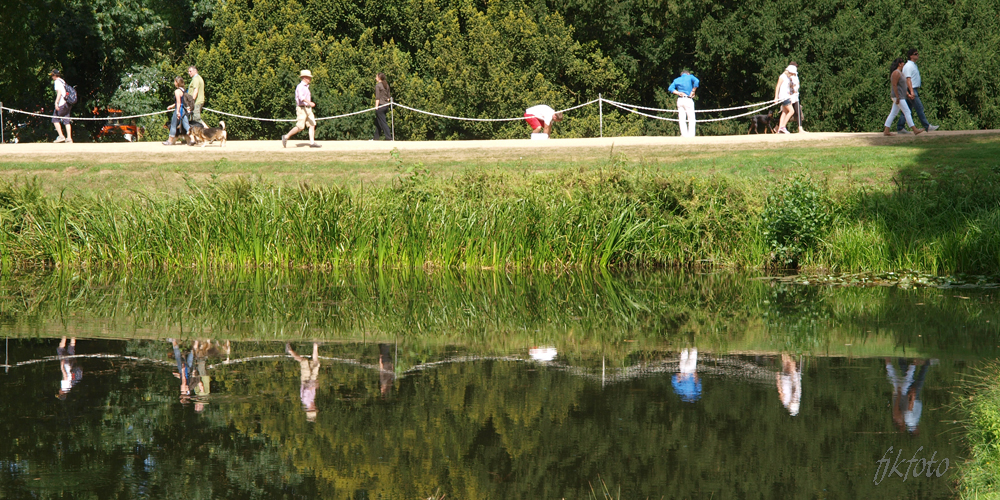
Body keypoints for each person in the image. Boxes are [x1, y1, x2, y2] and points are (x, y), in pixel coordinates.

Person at [896, 49, 939, 134]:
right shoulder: (908, 66)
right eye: (915, 54)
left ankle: (900, 127)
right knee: (919, 108)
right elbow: (908, 79)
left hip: (913, 88)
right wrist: (911, 92)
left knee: (907, 109)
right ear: (911, 56)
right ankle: (927, 126)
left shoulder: (913, 65)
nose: (917, 55)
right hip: (911, 89)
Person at [885, 358, 929, 434]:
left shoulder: (898, 417)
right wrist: (911, 396)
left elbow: (897, 405)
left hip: (901, 393)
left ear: (901, 425)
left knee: (906, 377)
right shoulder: (902, 418)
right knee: (902, 376)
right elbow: (909, 407)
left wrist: (899, 393)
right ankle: (904, 361)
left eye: (903, 427)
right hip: (902, 394)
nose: (905, 426)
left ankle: (912, 362)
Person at [883, 57, 924, 136]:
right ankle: (914, 129)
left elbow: (902, 86)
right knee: (907, 111)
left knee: (893, 113)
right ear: (899, 64)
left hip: (900, 96)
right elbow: (894, 85)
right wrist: (898, 97)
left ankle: (886, 130)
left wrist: (907, 94)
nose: (903, 64)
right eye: (902, 63)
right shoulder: (896, 73)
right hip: (898, 96)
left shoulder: (900, 73)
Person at [282, 69, 321, 148]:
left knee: (312, 124)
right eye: (309, 77)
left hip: (308, 108)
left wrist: (309, 105)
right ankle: (286, 137)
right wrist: (310, 103)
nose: (310, 79)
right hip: (301, 109)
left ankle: (312, 143)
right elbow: (301, 97)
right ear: (304, 78)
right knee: (300, 127)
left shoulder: (307, 87)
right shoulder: (300, 87)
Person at [287, 342, 321, 421]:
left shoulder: (306, 400)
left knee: (304, 362)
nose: (314, 407)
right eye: (314, 408)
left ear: (309, 409)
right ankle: (315, 345)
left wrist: (314, 386)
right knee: (316, 364)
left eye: (313, 409)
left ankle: (290, 351)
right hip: (312, 380)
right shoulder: (312, 399)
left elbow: (306, 390)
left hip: (306, 379)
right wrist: (315, 384)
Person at [667, 70, 700, 137]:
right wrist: (693, 91)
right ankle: (691, 135)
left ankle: (684, 134)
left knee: (682, 118)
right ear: (688, 73)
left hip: (680, 99)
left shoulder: (677, 80)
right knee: (691, 118)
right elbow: (697, 81)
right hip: (688, 99)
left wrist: (678, 93)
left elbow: (670, 88)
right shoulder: (690, 76)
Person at [163, 76, 191, 145]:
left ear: (177, 82)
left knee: (173, 125)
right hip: (184, 110)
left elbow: (178, 103)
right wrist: (172, 106)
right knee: (187, 126)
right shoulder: (183, 90)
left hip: (179, 109)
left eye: (175, 81)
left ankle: (170, 141)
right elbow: (181, 102)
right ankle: (192, 139)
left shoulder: (177, 91)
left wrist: (178, 112)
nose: (174, 83)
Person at [49, 69, 73, 143]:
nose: (52, 77)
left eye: (52, 75)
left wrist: (56, 103)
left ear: (55, 75)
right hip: (67, 103)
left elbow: (59, 93)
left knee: (55, 119)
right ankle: (69, 138)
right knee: (66, 120)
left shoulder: (57, 82)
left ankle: (61, 136)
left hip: (62, 103)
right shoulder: (62, 81)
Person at [773, 65, 797, 134]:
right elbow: (777, 86)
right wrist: (776, 97)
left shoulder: (788, 78)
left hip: (787, 96)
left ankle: (780, 129)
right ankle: (783, 127)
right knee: (791, 111)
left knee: (784, 112)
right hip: (783, 97)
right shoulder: (782, 77)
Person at [373, 73, 393, 141]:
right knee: (378, 122)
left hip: (380, 105)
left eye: (376, 77)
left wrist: (376, 107)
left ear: (379, 78)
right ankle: (376, 138)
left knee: (383, 122)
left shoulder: (378, 86)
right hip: (386, 106)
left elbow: (377, 98)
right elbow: (388, 98)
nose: (375, 78)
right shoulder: (386, 85)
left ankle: (389, 137)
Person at [788, 62, 807, 133]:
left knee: (798, 111)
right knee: (787, 113)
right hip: (790, 96)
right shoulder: (789, 76)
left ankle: (800, 128)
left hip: (795, 97)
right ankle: (778, 127)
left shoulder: (796, 75)